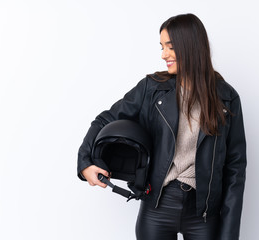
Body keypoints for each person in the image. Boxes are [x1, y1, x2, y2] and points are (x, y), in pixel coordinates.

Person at [77, 13, 247, 240]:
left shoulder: (226, 97)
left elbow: (235, 168)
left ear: (190, 47)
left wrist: (229, 234)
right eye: (162, 47)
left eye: (170, 46)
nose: (163, 54)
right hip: (158, 205)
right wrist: (85, 162)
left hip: (203, 212)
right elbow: (105, 119)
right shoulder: (152, 88)